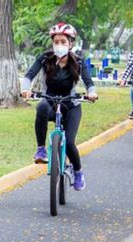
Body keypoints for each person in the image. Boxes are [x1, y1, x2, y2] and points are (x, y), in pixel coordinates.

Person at [20, 22, 98, 191]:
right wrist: (25, 89)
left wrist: (91, 92)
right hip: (50, 100)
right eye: (56, 42)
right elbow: (29, 75)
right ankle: (41, 150)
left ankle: (78, 172)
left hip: (71, 104)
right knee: (41, 107)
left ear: (71, 43)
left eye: (63, 42)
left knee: (69, 142)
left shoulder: (78, 60)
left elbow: (88, 81)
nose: (59, 45)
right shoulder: (45, 58)